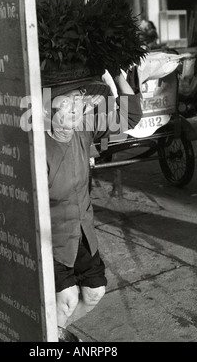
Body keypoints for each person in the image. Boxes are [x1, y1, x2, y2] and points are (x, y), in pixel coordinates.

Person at [43, 71, 142, 340]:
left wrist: (121, 77)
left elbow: (129, 117)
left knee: (94, 292)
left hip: (83, 233)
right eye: (67, 103)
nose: (76, 109)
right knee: (67, 299)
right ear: (46, 106)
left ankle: (51, 334)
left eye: (79, 102)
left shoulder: (83, 128)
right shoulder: (36, 147)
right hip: (50, 238)